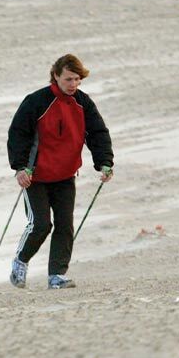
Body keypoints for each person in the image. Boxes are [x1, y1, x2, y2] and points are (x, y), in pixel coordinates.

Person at [6, 54, 114, 290]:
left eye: (77, 79)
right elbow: (18, 134)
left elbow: (97, 133)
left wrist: (104, 162)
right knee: (41, 224)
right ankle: (20, 261)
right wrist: (20, 167)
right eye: (68, 79)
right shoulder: (36, 101)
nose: (73, 84)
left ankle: (57, 275)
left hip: (65, 175)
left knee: (65, 225)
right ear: (55, 76)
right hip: (36, 176)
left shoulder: (83, 103)